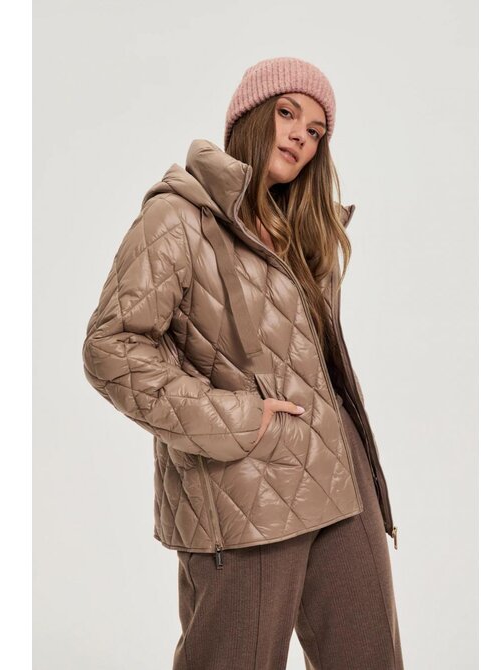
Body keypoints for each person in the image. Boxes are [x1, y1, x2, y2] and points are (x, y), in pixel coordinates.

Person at [82, 56, 404, 670]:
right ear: (251, 116)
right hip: (243, 489)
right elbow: (111, 347)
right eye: (287, 114)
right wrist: (235, 419)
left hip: (343, 480)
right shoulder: (178, 217)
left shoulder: (302, 226)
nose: (300, 136)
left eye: (315, 131)